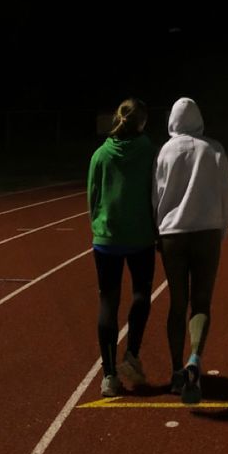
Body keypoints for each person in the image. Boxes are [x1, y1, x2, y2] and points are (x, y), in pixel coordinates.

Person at [153, 97, 228, 404]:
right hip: (207, 232)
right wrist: (221, 229)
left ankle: (175, 372)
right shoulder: (214, 149)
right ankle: (195, 357)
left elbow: (156, 194)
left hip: (173, 233)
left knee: (176, 302)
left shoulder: (165, 152)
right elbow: (226, 193)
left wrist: (158, 231)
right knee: (201, 302)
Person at [87, 97, 157, 397]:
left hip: (107, 238)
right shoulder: (149, 151)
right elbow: (157, 190)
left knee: (108, 301)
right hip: (140, 235)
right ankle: (132, 354)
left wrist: (100, 225)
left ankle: (109, 376)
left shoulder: (100, 155)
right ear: (142, 122)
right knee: (141, 293)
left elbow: (92, 196)